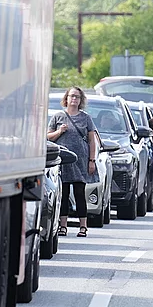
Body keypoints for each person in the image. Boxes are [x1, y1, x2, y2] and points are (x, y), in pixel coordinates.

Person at [47, 87, 99, 238]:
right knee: (63, 194)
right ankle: (63, 226)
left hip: (80, 160)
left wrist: (92, 160)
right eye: (72, 96)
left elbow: (91, 140)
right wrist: (60, 131)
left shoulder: (86, 118)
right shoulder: (58, 116)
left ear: (81, 100)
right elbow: (48, 137)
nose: (74, 99)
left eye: (77, 97)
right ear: (67, 98)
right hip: (62, 161)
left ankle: (83, 227)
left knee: (79, 193)